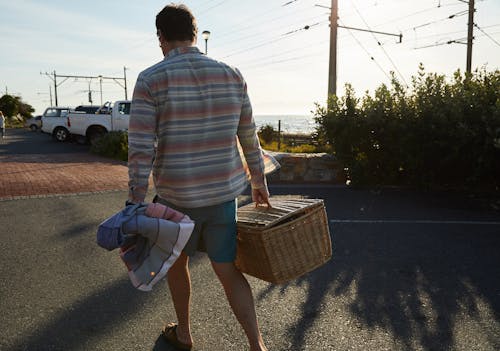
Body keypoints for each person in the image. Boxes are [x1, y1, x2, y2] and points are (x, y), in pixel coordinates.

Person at [127, 4, 270, 351]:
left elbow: (141, 147)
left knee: (178, 265)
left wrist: (134, 199)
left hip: (176, 200)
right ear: (194, 34)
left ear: (161, 37)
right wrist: (259, 181)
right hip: (223, 197)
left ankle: (186, 335)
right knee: (227, 270)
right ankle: (257, 345)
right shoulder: (232, 74)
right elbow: (248, 135)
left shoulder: (151, 79)